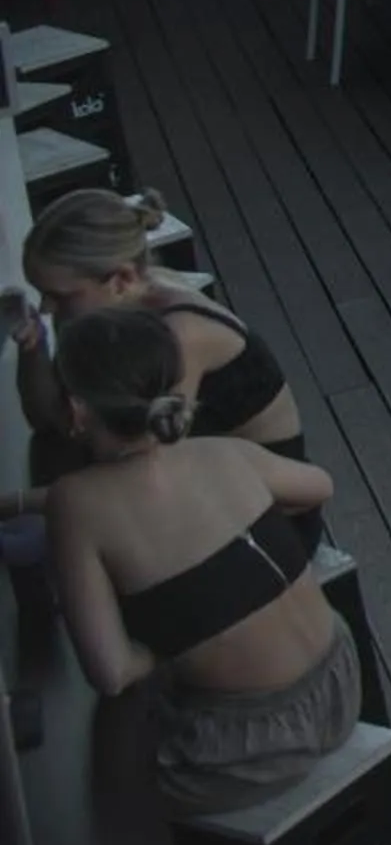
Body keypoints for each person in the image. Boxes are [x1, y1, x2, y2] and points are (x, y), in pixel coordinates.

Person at [36, 308, 354, 813]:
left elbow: (111, 671)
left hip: (245, 754)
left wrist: (178, 637)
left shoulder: (73, 503)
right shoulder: (222, 453)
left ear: (75, 412)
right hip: (339, 686)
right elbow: (321, 486)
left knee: (96, 755)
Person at [16, 190, 308, 469]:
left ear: (122, 279)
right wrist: (34, 350)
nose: (45, 308)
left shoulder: (178, 334)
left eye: (59, 295)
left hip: (268, 494)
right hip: (199, 465)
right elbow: (48, 422)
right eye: (42, 293)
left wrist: (19, 504)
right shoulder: (97, 310)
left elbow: (150, 458)